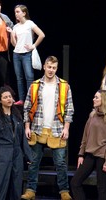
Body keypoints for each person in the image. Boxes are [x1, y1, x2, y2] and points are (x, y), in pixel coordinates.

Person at [22, 56, 74, 200]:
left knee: (60, 163)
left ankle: (64, 191)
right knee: (34, 162)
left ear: (56, 69)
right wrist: (27, 126)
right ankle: (31, 190)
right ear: (44, 66)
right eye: (49, 67)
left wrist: (67, 128)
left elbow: (69, 109)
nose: (51, 70)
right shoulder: (35, 85)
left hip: (57, 129)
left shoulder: (64, 86)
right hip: (38, 128)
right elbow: (27, 107)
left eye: (54, 68)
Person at [0, 86, 32, 200]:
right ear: (0, 101)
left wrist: (28, 155)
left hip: (16, 154)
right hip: (2, 155)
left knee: (16, 186)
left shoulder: (17, 116)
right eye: (5, 97)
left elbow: (22, 138)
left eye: (10, 96)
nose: (9, 99)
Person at [70, 90, 106, 200]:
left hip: (102, 156)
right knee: (75, 182)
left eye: (96, 97)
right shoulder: (92, 115)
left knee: (102, 188)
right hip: (90, 155)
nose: (93, 99)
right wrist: (81, 154)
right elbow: (85, 136)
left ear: (104, 100)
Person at [10, 4, 45, 105]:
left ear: (24, 13)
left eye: (18, 12)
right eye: (15, 12)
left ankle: (31, 99)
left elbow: (42, 35)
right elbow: (14, 44)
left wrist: (33, 46)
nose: (16, 14)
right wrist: (12, 34)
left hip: (27, 54)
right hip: (16, 54)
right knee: (19, 77)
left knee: (29, 76)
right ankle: (21, 99)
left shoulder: (29, 23)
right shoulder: (15, 26)